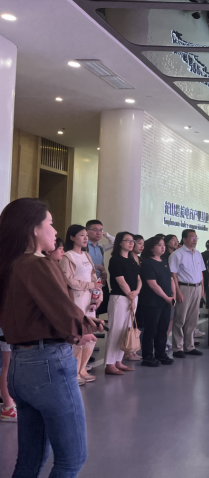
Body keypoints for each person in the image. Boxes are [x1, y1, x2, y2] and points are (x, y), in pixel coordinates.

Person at [0, 198, 103, 476]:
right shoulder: (38, 264)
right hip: (48, 364)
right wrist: (83, 327)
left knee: (30, 459)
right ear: (33, 228)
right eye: (51, 223)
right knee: (72, 458)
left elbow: (34, 313)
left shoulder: (10, 264)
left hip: (20, 364)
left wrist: (78, 326)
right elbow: (63, 312)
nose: (55, 231)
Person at [60, 225, 103, 386]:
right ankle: (74, 372)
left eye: (86, 235)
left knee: (90, 334)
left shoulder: (86, 255)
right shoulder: (67, 256)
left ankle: (82, 368)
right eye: (81, 235)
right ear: (72, 237)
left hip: (89, 300)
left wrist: (98, 295)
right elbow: (68, 280)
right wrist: (90, 286)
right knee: (79, 335)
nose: (85, 238)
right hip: (76, 299)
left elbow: (94, 278)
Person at [104, 232, 142, 375]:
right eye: (128, 240)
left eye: (133, 241)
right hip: (120, 297)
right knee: (115, 330)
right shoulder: (115, 260)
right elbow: (121, 281)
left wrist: (136, 292)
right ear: (120, 242)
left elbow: (139, 279)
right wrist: (131, 296)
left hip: (132, 297)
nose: (131, 243)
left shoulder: (132, 259)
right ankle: (109, 364)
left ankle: (118, 361)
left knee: (125, 330)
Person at [137, 236, 175, 367]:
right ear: (152, 248)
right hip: (152, 302)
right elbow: (152, 284)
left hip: (166, 301)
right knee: (151, 329)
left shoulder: (164, 261)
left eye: (163, 244)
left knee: (163, 329)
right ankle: (147, 356)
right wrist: (166, 297)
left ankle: (160, 354)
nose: (163, 247)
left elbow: (170, 279)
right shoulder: (147, 263)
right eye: (159, 245)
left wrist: (173, 295)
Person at [169, 229, 205, 358]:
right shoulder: (177, 254)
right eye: (192, 238)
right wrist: (177, 291)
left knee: (193, 319)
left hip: (197, 288)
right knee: (180, 318)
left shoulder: (198, 254)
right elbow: (173, 274)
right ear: (184, 239)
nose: (195, 240)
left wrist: (202, 289)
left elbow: (201, 273)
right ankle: (178, 348)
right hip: (184, 287)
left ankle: (189, 346)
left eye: (196, 238)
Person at [86, 219, 116, 316]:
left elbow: (115, 242)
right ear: (86, 231)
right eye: (95, 230)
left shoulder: (101, 247)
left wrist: (106, 234)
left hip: (99, 282)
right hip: (88, 282)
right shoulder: (84, 246)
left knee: (97, 309)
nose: (99, 233)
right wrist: (95, 266)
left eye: (101, 230)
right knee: (87, 310)